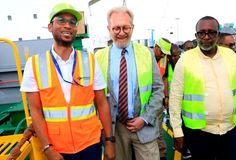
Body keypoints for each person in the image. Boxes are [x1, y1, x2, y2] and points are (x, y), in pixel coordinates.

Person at [20, 3, 115, 160]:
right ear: (50, 27)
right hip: (57, 148)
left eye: (72, 22)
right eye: (61, 20)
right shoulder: (34, 64)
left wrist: (110, 141)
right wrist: (47, 148)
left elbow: (102, 102)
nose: (67, 25)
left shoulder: (90, 60)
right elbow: (35, 110)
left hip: (90, 145)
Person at [169, 16, 236, 160]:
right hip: (199, 133)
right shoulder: (185, 60)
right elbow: (175, 99)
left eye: (211, 32)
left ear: (218, 35)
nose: (206, 37)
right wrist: (177, 132)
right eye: (202, 33)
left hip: (230, 129)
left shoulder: (232, 58)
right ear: (196, 36)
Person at [95, 6, 164, 160]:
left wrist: (145, 118)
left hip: (144, 125)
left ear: (133, 27)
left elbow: (158, 89)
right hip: (115, 129)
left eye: (126, 27)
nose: (121, 32)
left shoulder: (147, 53)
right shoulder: (98, 57)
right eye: (116, 28)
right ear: (109, 28)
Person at [153, 37, 172, 160]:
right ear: (156, 47)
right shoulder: (143, 57)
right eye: (162, 52)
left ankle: (162, 154)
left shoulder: (164, 59)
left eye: (166, 53)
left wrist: (166, 96)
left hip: (158, 99)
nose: (163, 55)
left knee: (158, 130)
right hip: (144, 102)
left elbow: (164, 79)